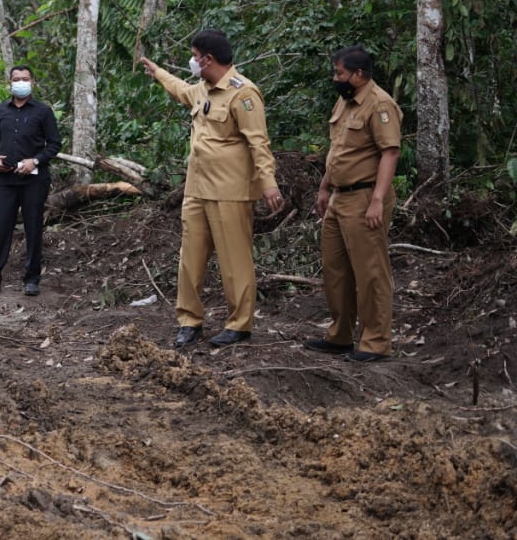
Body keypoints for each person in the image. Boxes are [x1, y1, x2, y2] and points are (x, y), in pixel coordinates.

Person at [139, 30, 284, 348]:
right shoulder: (202, 89)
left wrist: (268, 183)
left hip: (230, 191)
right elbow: (180, 90)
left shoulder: (243, 94)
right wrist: (158, 72)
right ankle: (189, 321)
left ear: (208, 59)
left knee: (235, 261)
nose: (191, 61)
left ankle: (239, 324)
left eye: (194, 55)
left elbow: (258, 142)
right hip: (197, 189)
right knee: (189, 260)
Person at [305, 46, 402, 363]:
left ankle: (375, 342)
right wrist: (324, 187)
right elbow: (339, 149)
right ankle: (340, 336)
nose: (336, 78)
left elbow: (390, 152)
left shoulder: (380, 104)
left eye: (340, 73)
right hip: (338, 197)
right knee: (336, 271)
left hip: (364, 197)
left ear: (358, 74)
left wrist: (376, 200)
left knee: (370, 272)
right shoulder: (345, 101)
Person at [0, 65, 62, 298]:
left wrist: (35, 161)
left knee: (33, 227)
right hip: (7, 180)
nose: (20, 82)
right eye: (16, 79)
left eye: (25, 79)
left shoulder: (43, 111)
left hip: (35, 181)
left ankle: (32, 279)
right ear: (10, 83)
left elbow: (55, 144)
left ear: (32, 82)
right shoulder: (0, 111)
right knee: (1, 228)